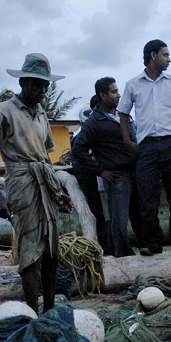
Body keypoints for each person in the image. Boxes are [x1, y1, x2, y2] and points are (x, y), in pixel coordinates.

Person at [0, 53, 74, 313]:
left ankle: (50, 310)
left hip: (45, 182)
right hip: (21, 183)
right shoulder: (3, 111)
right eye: (37, 85)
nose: (43, 91)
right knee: (30, 251)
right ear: (23, 83)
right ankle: (32, 311)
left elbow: (45, 156)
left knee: (52, 252)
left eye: (46, 86)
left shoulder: (42, 113)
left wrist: (58, 190)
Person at [118, 39, 171, 264]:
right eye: (165, 54)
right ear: (152, 56)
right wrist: (127, 141)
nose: (169, 59)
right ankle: (153, 244)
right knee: (148, 200)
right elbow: (123, 113)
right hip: (147, 147)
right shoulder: (133, 84)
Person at [72, 77, 142, 257]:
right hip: (118, 175)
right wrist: (101, 171)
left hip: (136, 171)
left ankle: (145, 250)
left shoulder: (122, 116)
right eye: (114, 92)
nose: (118, 95)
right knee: (119, 220)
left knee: (141, 215)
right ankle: (123, 255)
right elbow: (78, 150)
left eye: (118, 91)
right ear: (102, 95)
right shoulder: (94, 122)